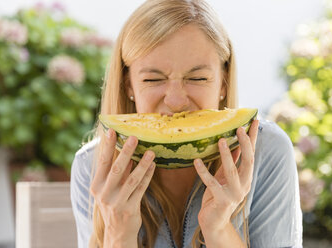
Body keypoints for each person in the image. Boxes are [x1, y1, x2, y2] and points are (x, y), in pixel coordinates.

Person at [70, 0, 303, 247]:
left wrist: (219, 228)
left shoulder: (267, 152)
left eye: (197, 77)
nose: (176, 101)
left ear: (223, 83)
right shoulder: (92, 168)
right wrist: (119, 234)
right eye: (153, 79)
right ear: (129, 86)